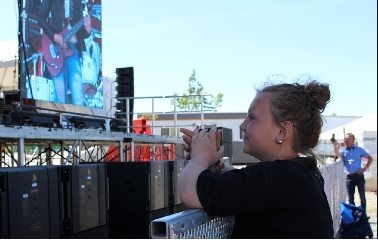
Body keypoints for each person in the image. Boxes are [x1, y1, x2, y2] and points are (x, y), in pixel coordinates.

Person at [179, 80, 334, 238]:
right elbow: (246, 183)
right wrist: (215, 164)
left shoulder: (278, 177)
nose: (242, 125)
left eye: (252, 117)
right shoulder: (298, 175)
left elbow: (190, 192)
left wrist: (200, 157)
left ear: (282, 131)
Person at [38, 0, 91, 106]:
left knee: (78, 94)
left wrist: (88, 30)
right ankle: (61, 122)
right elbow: (40, 19)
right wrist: (54, 36)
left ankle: (78, 121)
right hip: (56, 49)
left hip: (73, 51)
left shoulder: (77, 2)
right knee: (60, 96)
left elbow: (80, 32)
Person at [331, 133, 373, 211]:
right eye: (345, 138)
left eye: (348, 138)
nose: (346, 140)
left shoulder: (359, 150)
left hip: (358, 175)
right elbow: (337, 154)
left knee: (362, 197)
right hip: (349, 177)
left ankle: (363, 215)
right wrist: (335, 145)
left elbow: (370, 158)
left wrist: (365, 168)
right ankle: (353, 217)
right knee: (350, 199)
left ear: (353, 140)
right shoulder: (343, 150)